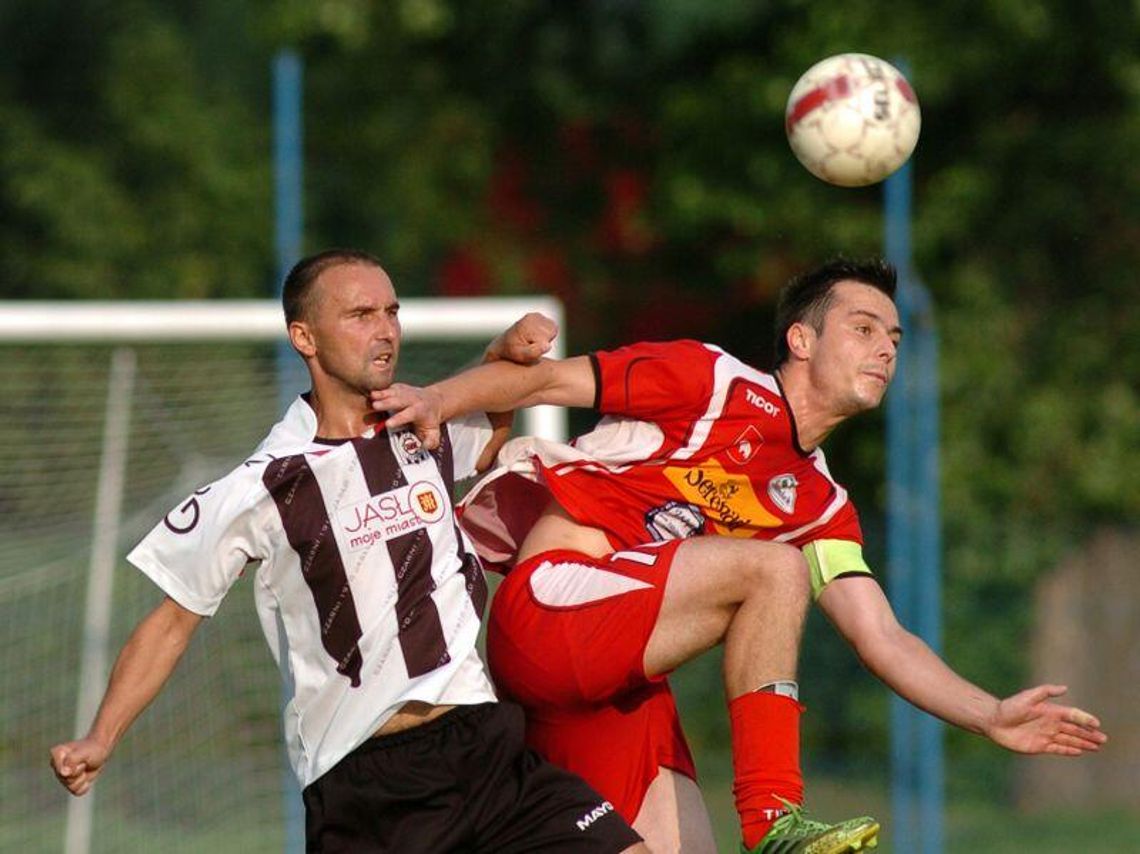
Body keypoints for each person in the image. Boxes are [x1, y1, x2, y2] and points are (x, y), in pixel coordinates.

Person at [373, 256, 1108, 853]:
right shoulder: (711, 380)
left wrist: (989, 716)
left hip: (620, 692)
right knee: (771, 569)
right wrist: (439, 400)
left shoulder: (822, 506)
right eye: (862, 327)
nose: (885, 346)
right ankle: (774, 819)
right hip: (553, 610)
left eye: (895, 337)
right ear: (801, 339)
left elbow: (880, 635)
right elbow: (545, 378)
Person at [50, 249, 648, 853]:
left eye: (391, 311)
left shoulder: (421, 428)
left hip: (485, 747)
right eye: (360, 314)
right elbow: (172, 622)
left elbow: (494, 418)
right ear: (303, 337)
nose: (384, 329)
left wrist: (501, 352)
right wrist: (101, 737)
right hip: (368, 782)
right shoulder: (265, 483)